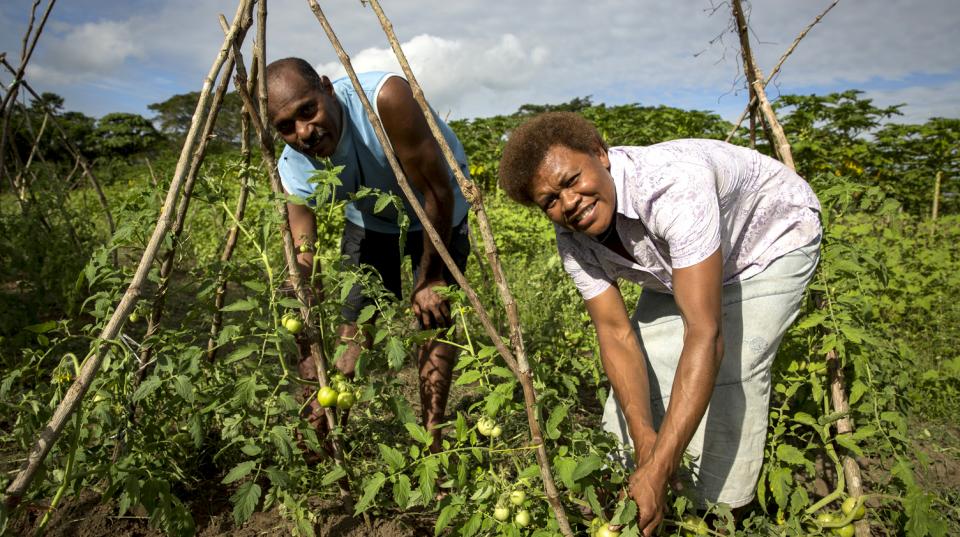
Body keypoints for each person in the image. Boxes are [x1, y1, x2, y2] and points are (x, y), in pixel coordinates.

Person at [498, 112, 821, 535]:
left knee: (733, 368)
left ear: (600, 153)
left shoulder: (671, 186)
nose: (569, 202)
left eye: (572, 179)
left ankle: (719, 514)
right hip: (675, 266)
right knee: (646, 374)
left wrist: (659, 466)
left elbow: (705, 334)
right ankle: (636, 485)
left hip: (767, 244)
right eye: (550, 202)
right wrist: (644, 441)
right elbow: (614, 334)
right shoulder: (574, 241)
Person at [266, 58, 472, 454]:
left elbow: (438, 192)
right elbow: (302, 252)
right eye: (286, 127)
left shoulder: (385, 99)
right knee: (356, 326)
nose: (303, 132)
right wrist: (302, 309)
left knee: (434, 316)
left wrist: (430, 278)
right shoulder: (293, 165)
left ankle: (432, 437)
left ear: (327, 87)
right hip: (371, 222)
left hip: (441, 209)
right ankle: (326, 431)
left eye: (307, 111)